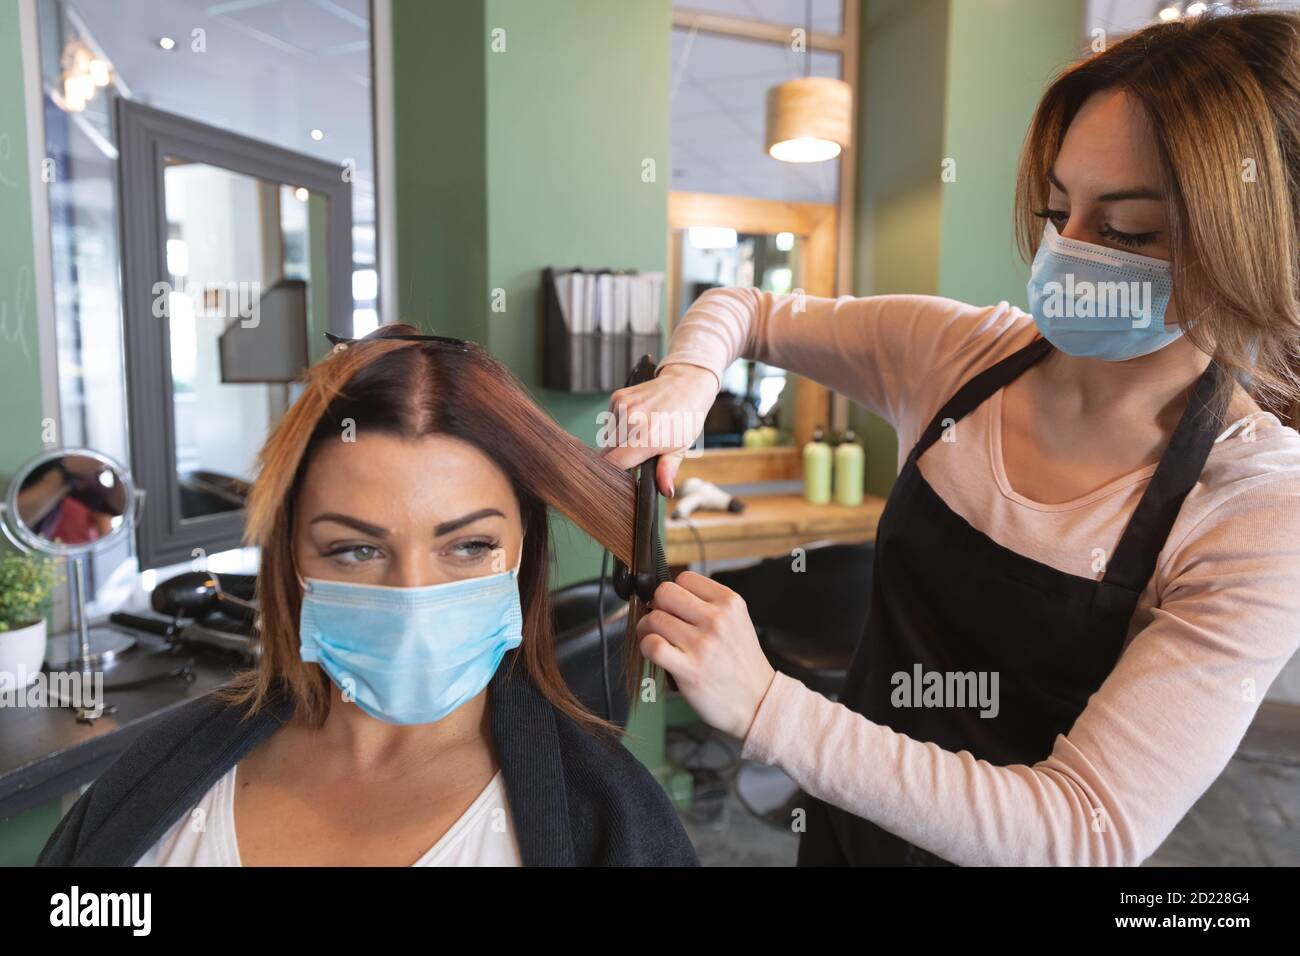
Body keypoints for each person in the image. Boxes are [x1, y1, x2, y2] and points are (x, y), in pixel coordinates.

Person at [607, 10, 1300, 865]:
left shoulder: (1259, 506)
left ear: (1261, 244)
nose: (1068, 254)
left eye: (1127, 232)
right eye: (1057, 211)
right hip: (839, 831)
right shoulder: (958, 355)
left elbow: (1082, 830)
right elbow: (746, 309)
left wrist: (767, 708)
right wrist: (687, 382)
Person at [39, 325, 698, 867]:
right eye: (355, 549)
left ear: (522, 550)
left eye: (467, 546)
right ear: (290, 554)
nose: (412, 596)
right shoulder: (152, 787)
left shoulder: (610, 822)